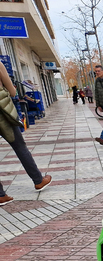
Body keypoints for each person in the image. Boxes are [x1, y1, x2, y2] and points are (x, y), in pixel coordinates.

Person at [0, 62, 52, 206]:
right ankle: (38, 180)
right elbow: (12, 92)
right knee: (20, 147)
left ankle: (0, 195)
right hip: (3, 114)